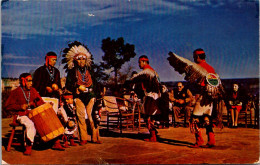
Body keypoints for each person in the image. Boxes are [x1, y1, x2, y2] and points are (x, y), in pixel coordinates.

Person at [62, 41, 101, 145]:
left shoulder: (91, 71)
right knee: (80, 116)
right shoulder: (72, 72)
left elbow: (96, 84)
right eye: (79, 59)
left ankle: (95, 137)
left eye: (83, 59)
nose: (82, 61)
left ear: (86, 60)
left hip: (90, 96)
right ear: (75, 61)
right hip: (78, 96)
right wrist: (77, 87)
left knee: (91, 116)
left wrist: (97, 95)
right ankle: (83, 138)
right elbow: (68, 85)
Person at [189, 48, 218, 148]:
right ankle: (211, 140)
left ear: (197, 57)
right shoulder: (211, 68)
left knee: (195, 119)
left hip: (201, 96)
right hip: (210, 97)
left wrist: (196, 94)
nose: (193, 59)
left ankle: (199, 140)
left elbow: (197, 84)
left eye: (194, 57)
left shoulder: (197, 68)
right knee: (207, 119)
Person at [131, 55, 162, 142]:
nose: (138, 64)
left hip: (151, 96)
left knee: (148, 116)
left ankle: (153, 136)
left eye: (139, 62)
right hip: (153, 96)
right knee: (148, 116)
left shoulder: (147, 71)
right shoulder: (153, 71)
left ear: (144, 62)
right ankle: (153, 134)